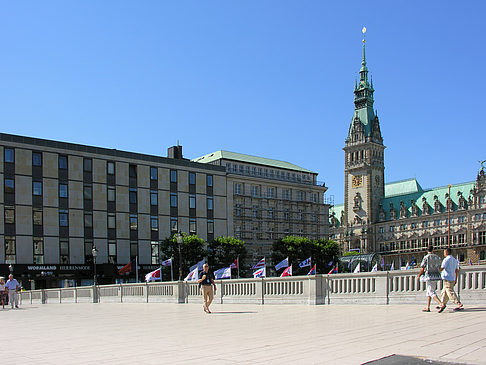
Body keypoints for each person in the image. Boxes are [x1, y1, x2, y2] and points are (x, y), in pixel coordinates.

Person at [417, 246, 443, 312]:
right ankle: (428, 307)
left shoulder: (426, 257)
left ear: (427, 250)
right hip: (436, 275)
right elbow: (440, 267)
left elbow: (422, 268)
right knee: (429, 291)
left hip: (429, 276)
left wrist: (419, 275)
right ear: (433, 250)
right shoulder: (437, 257)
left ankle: (441, 304)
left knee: (431, 292)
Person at [438, 248, 464, 313]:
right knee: (445, 291)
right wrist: (456, 278)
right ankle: (442, 303)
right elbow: (457, 270)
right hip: (452, 277)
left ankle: (458, 303)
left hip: (447, 277)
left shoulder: (446, 259)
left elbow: (442, 268)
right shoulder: (455, 260)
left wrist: (437, 268)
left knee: (449, 291)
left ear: (446, 252)